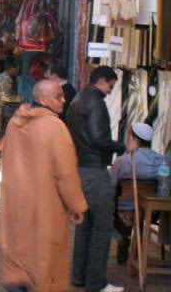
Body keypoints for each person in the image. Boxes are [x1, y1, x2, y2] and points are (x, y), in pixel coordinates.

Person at [0, 80, 88, 292]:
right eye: (59, 96)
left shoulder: (15, 121)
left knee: (18, 257)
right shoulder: (55, 127)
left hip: (15, 202)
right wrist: (77, 205)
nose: (64, 100)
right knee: (44, 263)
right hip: (45, 206)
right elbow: (66, 174)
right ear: (43, 99)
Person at [67, 66, 131, 292]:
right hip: (95, 170)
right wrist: (121, 146)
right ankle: (97, 282)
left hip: (81, 168)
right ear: (102, 80)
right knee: (101, 227)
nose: (111, 91)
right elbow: (98, 138)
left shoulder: (78, 100)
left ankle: (80, 276)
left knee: (85, 225)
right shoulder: (95, 103)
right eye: (111, 86)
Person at [109, 122, 164, 264]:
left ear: (133, 138)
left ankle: (124, 236)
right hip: (151, 212)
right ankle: (133, 242)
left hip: (125, 211)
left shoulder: (123, 161)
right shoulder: (161, 160)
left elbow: (111, 184)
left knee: (111, 195)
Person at [0, 57, 23, 128]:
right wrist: (21, 98)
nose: (18, 70)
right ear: (12, 68)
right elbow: (6, 97)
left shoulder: (1, 76)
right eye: (17, 68)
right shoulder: (6, 79)